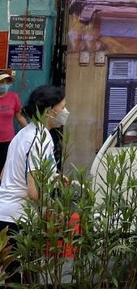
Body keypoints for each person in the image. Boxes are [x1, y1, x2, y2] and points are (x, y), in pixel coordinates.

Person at [0, 85, 68, 282]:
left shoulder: (23, 133)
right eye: (63, 107)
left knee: (11, 277)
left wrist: (53, 176)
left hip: (5, 215)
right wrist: (54, 208)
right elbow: (33, 191)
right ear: (49, 111)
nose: (65, 112)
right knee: (21, 279)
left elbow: (4, 175)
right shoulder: (41, 138)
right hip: (18, 221)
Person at [0, 70, 27, 173]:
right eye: (1, 82)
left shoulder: (13, 97)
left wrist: (30, 131)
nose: (4, 85)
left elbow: (19, 117)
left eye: (6, 82)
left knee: (4, 169)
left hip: (8, 141)